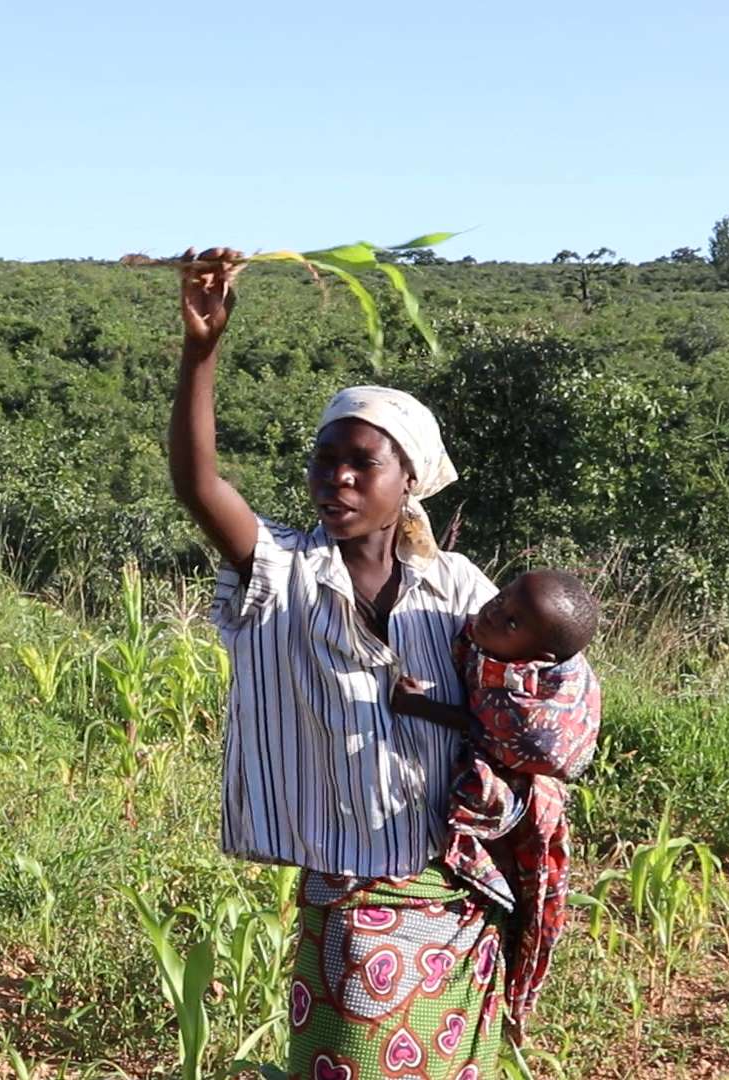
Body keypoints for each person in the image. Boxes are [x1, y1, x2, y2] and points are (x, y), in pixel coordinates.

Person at [169, 248, 509, 1078]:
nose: (339, 478)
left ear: (409, 484)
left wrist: (440, 714)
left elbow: (526, 711)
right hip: (350, 897)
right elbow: (196, 482)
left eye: (363, 463)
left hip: (452, 899)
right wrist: (202, 351)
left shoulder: (459, 589)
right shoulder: (279, 573)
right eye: (327, 460)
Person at [392, 570, 603, 1040]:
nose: (495, 611)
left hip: (525, 805)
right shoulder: (490, 632)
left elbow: (507, 737)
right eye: (503, 596)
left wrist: (422, 706)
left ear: (540, 656)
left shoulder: (532, 700)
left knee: (513, 898)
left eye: (512, 621)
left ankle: (496, 1002)